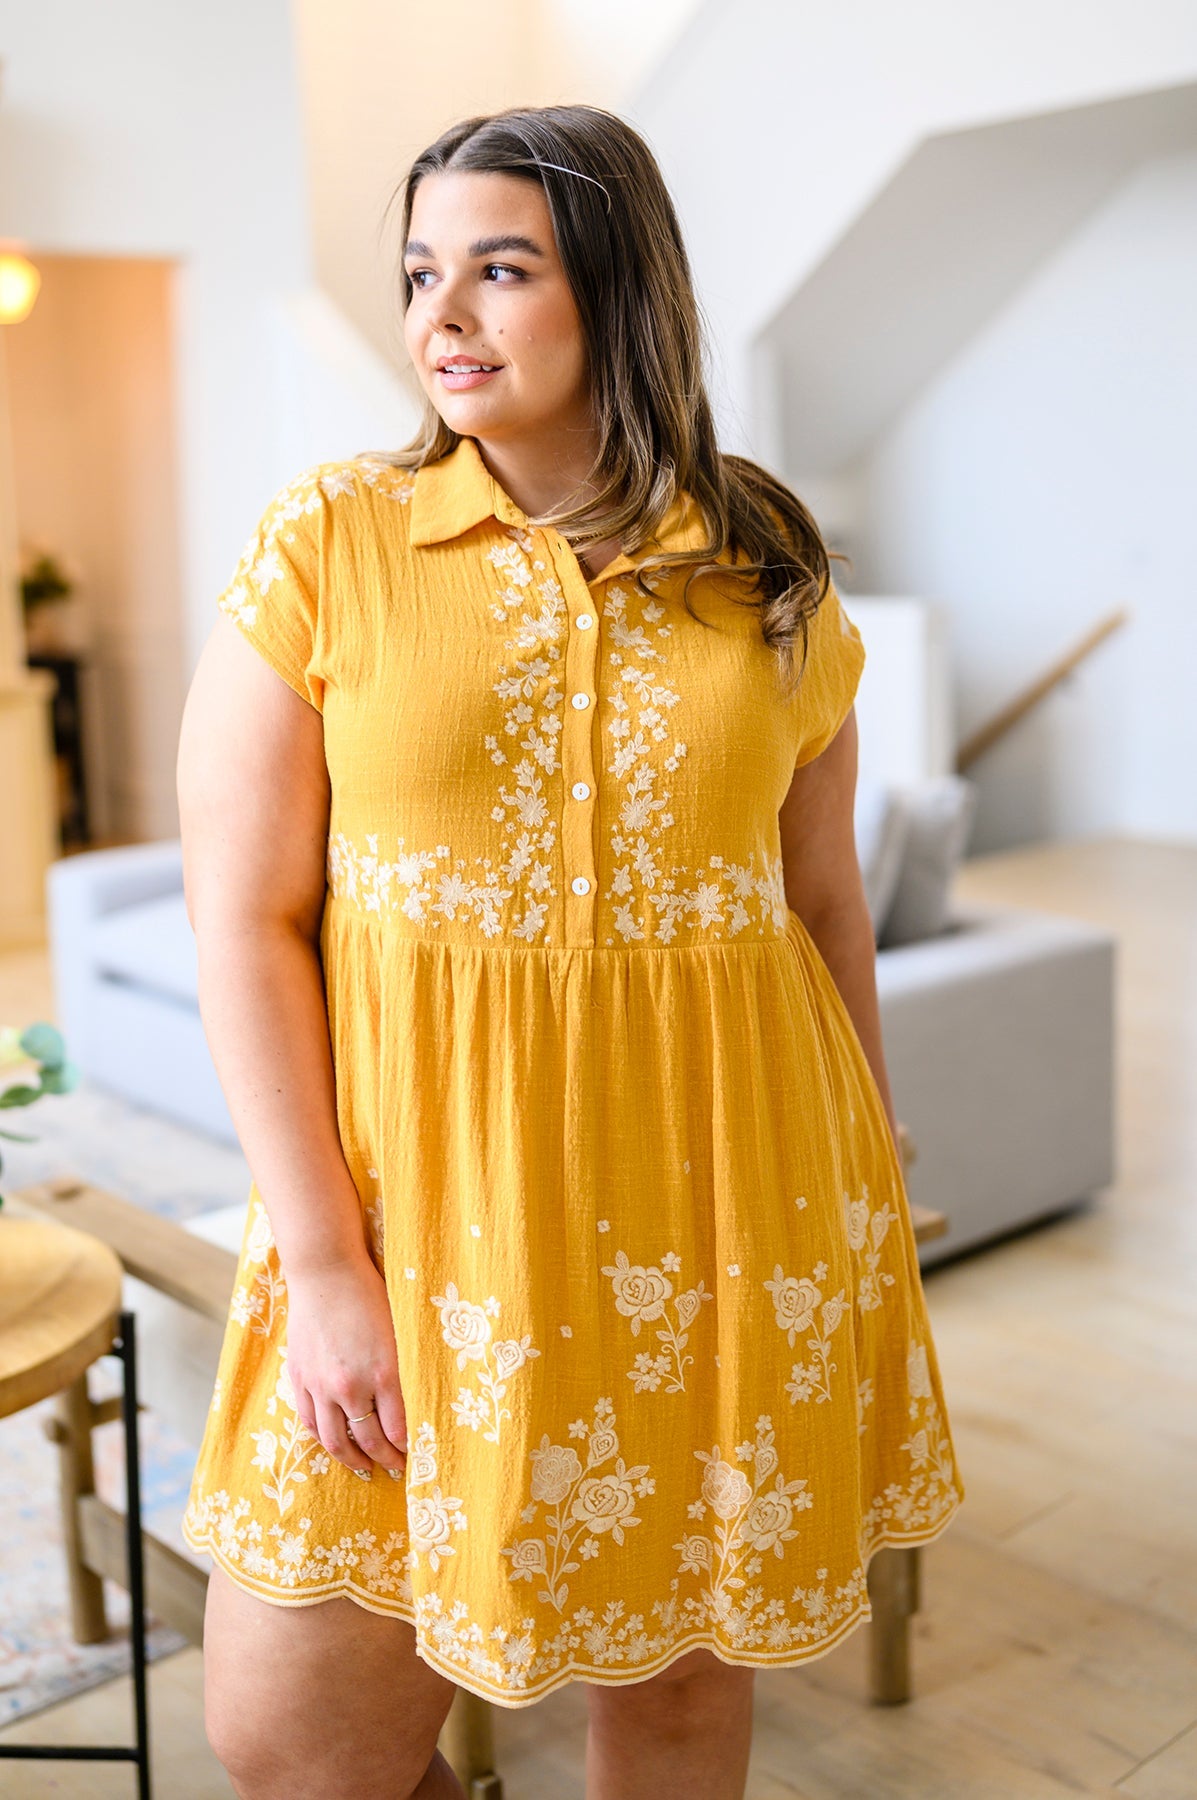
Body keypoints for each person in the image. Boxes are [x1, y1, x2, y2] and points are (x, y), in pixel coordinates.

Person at [177, 102, 964, 1800]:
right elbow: (244, 913)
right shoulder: (330, 542)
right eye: (419, 273)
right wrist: (323, 1265)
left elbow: (819, 901)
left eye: (501, 269)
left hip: (726, 1206)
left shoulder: (766, 563)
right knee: (293, 1740)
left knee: (675, 1692)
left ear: (617, 289)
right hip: (411, 1222)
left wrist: (869, 1165)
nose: (441, 315)